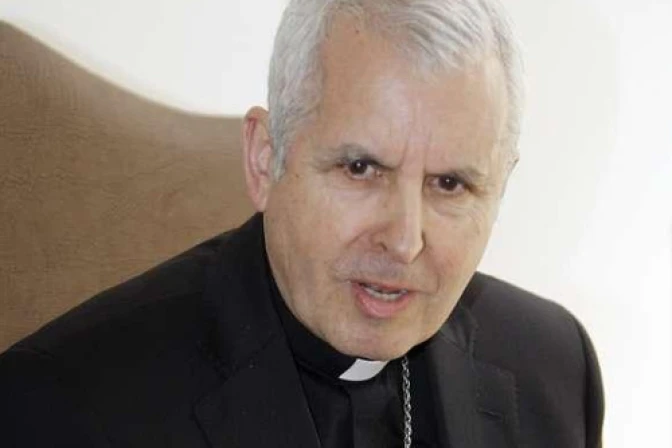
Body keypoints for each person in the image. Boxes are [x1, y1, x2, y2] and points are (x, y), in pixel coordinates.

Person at [0, 0, 604, 446]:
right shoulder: (62, 409)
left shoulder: (553, 367)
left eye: (450, 184)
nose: (403, 241)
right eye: (361, 168)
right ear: (265, 159)